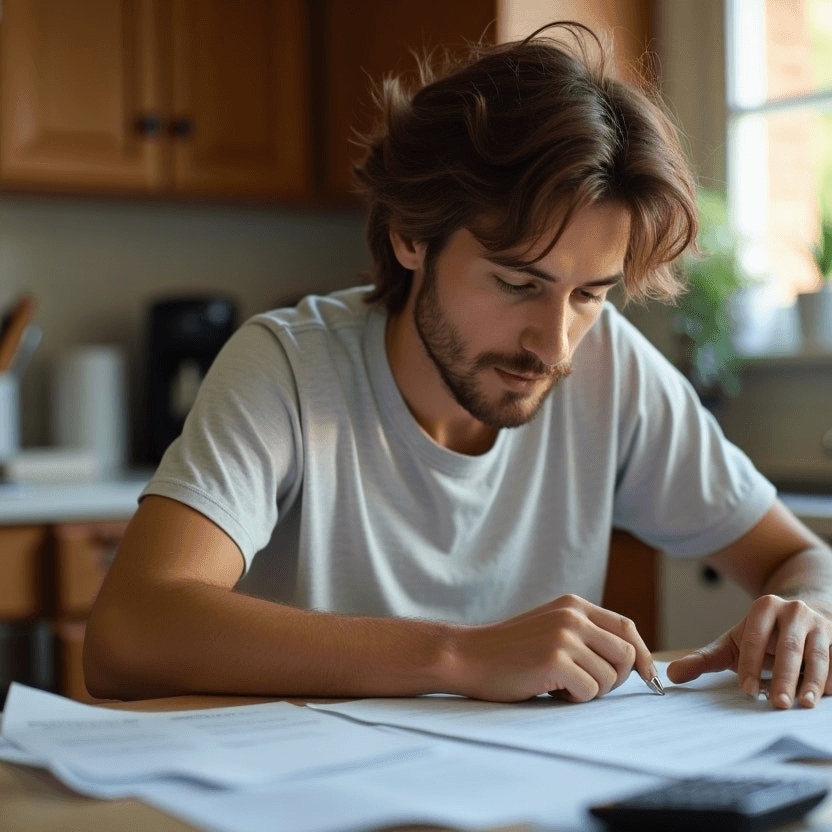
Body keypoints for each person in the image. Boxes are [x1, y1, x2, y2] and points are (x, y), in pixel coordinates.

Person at [84, 23, 832, 709]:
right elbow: (128, 637)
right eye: (517, 284)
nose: (554, 344)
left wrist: (809, 615)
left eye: (590, 295)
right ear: (412, 235)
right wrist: (457, 654)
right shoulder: (288, 366)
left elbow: (800, 558)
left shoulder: (611, 370)